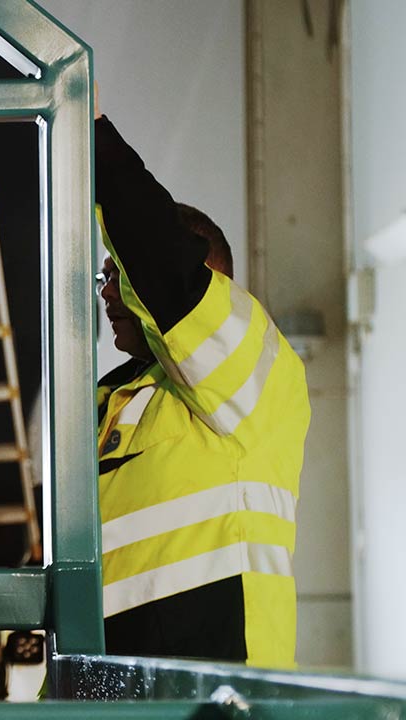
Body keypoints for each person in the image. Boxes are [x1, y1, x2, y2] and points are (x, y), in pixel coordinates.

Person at [92, 98, 311, 667]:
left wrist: (91, 134)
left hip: (214, 694)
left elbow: (161, 263)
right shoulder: (114, 399)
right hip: (120, 694)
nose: (108, 293)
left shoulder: (247, 364)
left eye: (123, 278)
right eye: (106, 275)